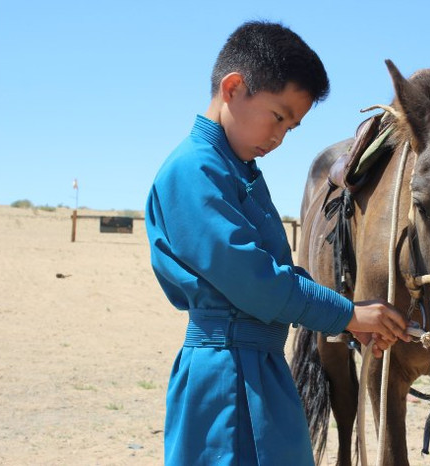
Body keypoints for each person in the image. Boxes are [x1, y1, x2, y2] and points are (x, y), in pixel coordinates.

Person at [145, 21, 410, 465]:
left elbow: (281, 274)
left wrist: (351, 321)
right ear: (233, 88)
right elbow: (256, 281)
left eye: (292, 127)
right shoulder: (192, 170)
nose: (280, 137)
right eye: (279, 116)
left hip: (262, 368)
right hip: (225, 377)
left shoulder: (241, 172)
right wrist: (346, 312)